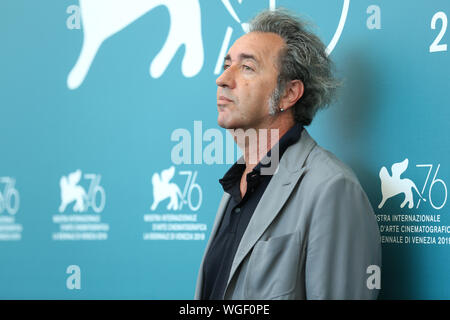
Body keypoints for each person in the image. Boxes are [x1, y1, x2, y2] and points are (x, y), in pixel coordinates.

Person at [194, 9, 381, 300]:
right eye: (226, 64)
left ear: (289, 94)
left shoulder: (331, 188)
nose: (222, 79)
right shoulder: (236, 185)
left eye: (247, 68)